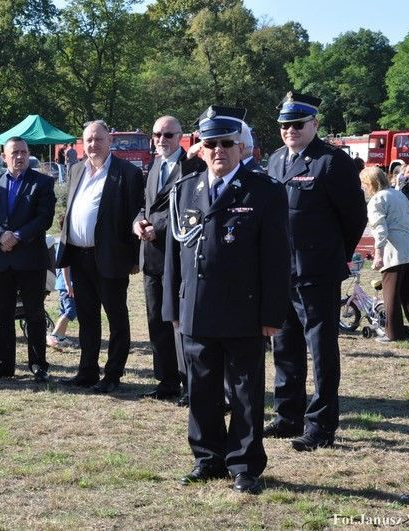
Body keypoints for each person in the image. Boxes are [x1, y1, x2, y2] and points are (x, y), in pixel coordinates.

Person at [164, 105, 290, 495]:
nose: (218, 150)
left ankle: (244, 464)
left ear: (242, 148)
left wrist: (272, 314)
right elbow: (174, 255)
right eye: (211, 144)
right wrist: (173, 308)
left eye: (226, 144)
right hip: (196, 309)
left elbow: (276, 259)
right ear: (200, 148)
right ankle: (207, 458)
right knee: (200, 389)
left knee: (244, 392)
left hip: (243, 310)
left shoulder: (264, 191)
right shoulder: (185, 190)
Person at [265, 91, 367, 451]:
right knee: (285, 346)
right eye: (284, 125)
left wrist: (333, 256)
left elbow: (354, 218)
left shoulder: (331, 162)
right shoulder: (275, 161)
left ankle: (321, 425)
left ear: (314, 125)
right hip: (281, 272)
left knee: (321, 350)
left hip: (316, 271)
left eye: (297, 124)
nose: (290, 130)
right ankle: (287, 414)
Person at [57, 120, 144, 394]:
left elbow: (135, 215)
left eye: (98, 139)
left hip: (111, 257)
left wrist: (133, 259)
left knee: (116, 318)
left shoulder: (127, 173)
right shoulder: (75, 170)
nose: (93, 144)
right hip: (79, 257)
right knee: (87, 317)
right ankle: (87, 370)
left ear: (110, 141)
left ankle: (113, 374)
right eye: (89, 140)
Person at [133, 115, 204, 403]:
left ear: (181, 137)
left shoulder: (194, 167)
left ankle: (190, 384)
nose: (161, 140)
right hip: (151, 256)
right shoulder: (154, 167)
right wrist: (138, 222)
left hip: (178, 255)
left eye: (168, 135)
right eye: (157, 135)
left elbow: (191, 211)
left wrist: (155, 228)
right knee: (156, 321)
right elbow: (146, 206)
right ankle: (166, 381)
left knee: (180, 323)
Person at [0, 136, 56, 383]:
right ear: (4, 157)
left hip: (31, 259)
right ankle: (4, 365)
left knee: (34, 313)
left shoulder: (42, 182)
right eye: (14, 153)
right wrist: (1, 236)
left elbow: (45, 218)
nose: (19, 157)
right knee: (3, 314)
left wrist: (18, 236)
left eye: (23, 152)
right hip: (1, 260)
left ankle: (38, 364)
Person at [359, 167, 409, 342]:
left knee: (391, 295)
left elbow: (380, 228)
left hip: (397, 249)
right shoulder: (398, 194)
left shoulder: (376, 200)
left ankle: (394, 334)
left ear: (369, 183)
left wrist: (378, 254)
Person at [47, 243, 78, 349]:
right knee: (71, 311)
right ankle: (54, 335)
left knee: (64, 311)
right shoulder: (66, 245)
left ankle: (61, 337)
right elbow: (65, 266)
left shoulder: (61, 244)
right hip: (67, 286)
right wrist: (68, 284)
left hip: (63, 285)